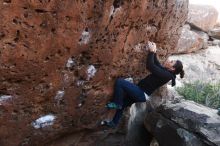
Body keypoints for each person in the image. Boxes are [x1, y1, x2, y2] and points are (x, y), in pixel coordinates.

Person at [102, 41, 185, 128]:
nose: (169, 61)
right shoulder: (167, 73)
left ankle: (116, 103)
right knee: (123, 105)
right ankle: (114, 123)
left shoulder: (167, 75)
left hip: (141, 93)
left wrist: (151, 52)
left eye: (171, 62)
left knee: (120, 82)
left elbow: (150, 66)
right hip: (140, 92)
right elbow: (157, 64)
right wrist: (154, 51)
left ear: (172, 68)